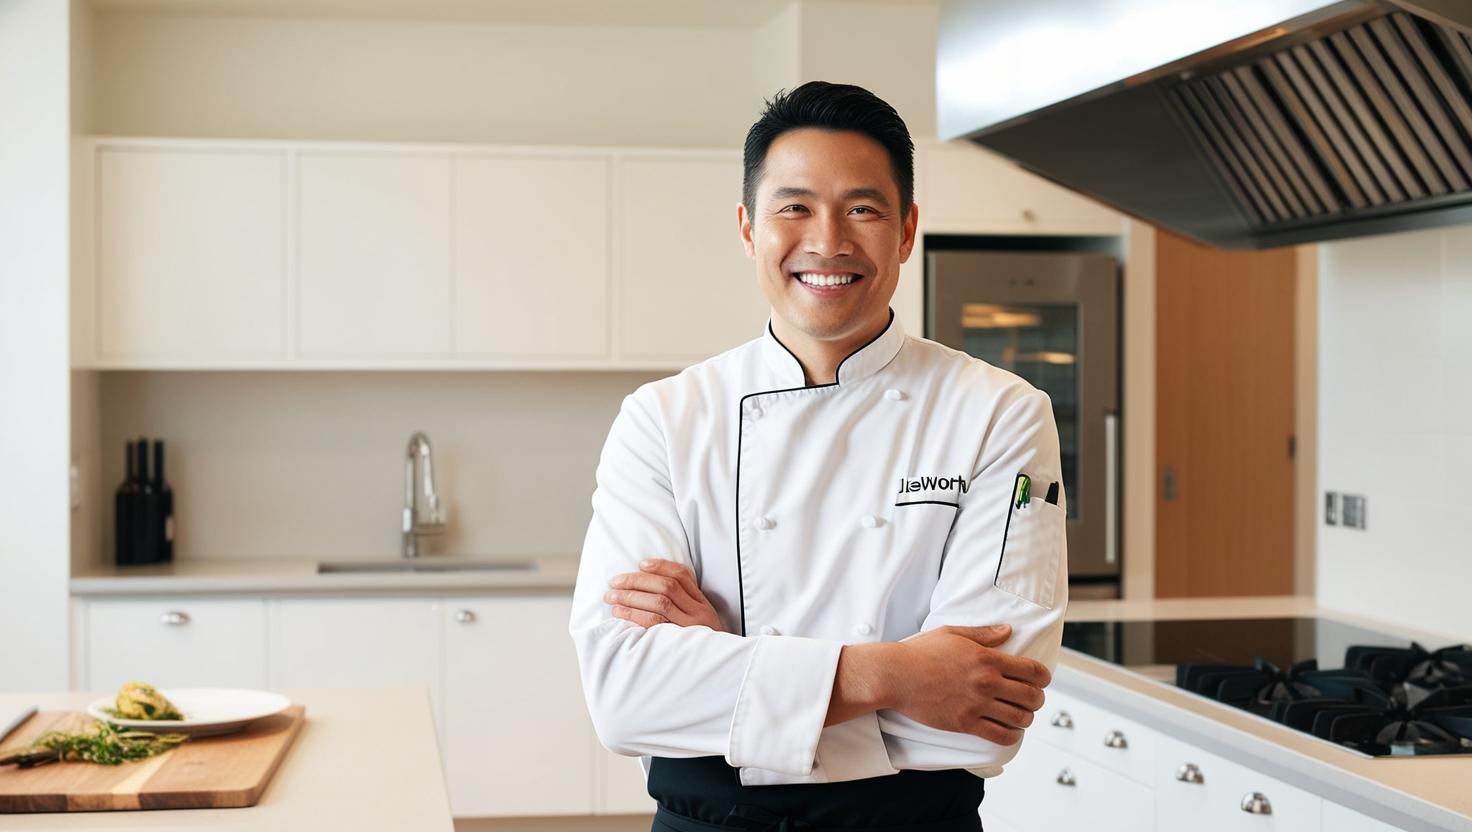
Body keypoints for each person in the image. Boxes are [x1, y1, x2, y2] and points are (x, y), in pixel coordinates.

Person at [569, 81, 1068, 832]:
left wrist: (724, 659)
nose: (828, 240)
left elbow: (975, 719)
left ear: (906, 232)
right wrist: (897, 674)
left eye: (862, 209)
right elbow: (624, 698)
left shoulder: (999, 413)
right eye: (793, 207)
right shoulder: (664, 419)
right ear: (747, 228)